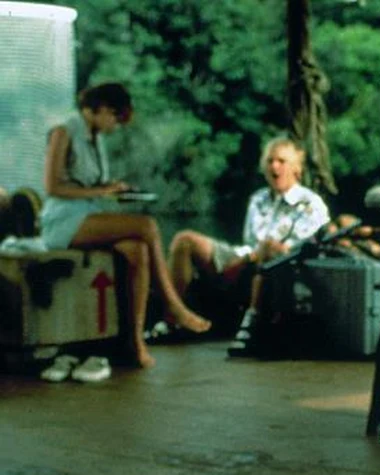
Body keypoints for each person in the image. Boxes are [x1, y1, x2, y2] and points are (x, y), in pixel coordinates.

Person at [40, 82, 211, 369]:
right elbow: (52, 187)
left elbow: (88, 184)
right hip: (62, 220)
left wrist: (113, 189)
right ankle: (173, 305)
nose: (115, 127)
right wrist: (101, 191)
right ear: (103, 109)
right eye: (116, 119)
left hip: (87, 213)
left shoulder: (95, 137)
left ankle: (135, 342)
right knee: (147, 226)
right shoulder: (64, 131)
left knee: (137, 251)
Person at [167, 135, 330, 355]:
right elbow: (249, 242)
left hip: (281, 270)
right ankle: (173, 319)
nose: (274, 166)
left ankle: (252, 324)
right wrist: (247, 258)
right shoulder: (258, 199)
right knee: (184, 240)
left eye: (281, 161)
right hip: (246, 259)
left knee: (270, 249)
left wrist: (255, 255)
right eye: (270, 161)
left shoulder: (311, 204)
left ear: (296, 168)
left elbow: (298, 251)